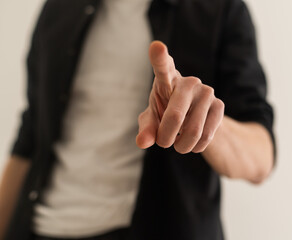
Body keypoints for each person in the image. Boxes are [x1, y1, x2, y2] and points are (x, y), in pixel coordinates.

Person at [0, 0, 276, 239]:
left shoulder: (220, 9)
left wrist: (206, 123)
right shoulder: (58, 9)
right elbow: (30, 138)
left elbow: (261, 157)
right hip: (41, 229)